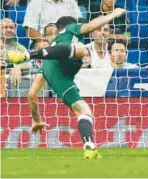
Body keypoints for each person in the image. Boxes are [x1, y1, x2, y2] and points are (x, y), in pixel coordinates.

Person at [9, 8, 127, 158]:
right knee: (81, 49)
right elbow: (91, 26)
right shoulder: (71, 29)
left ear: (56, 31)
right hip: (66, 65)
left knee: (84, 112)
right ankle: (28, 54)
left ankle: (89, 145)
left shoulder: (46, 64)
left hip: (58, 76)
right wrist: (113, 15)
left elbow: (32, 95)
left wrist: (37, 119)